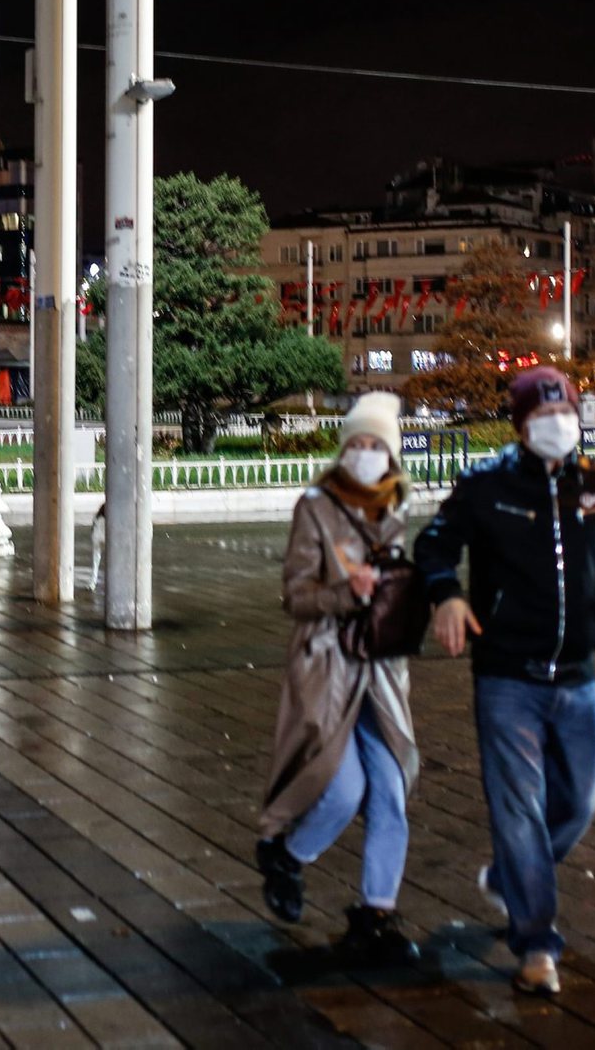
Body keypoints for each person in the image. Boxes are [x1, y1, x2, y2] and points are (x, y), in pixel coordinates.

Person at [414, 366, 595, 997]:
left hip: (577, 678)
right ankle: (537, 945)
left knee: (580, 803)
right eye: (542, 417)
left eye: (564, 413)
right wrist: (446, 594)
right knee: (519, 811)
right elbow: (433, 544)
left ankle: (511, 878)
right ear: (520, 425)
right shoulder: (485, 484)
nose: (557, 425)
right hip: (506, 678)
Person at [256, 391, 421, 965]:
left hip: (381, 669)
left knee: (391, 790)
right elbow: (296, 596)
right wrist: (346, 592)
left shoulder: (396, 506)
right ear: (344, 447)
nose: (366, 453)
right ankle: (288, 855)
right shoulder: (316, 507)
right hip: (328, 665)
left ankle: (377, 913)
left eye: (377, 444)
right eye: (358, 443)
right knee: (344, 787)